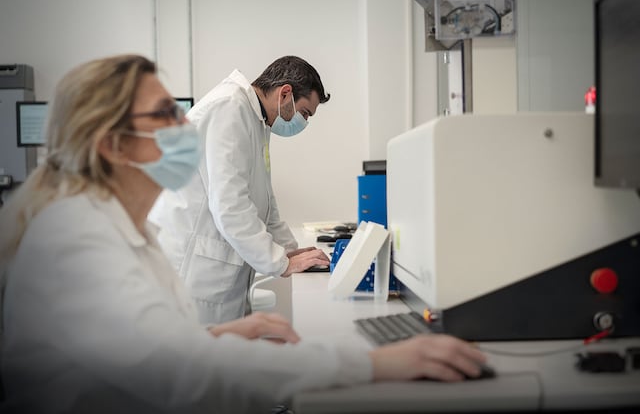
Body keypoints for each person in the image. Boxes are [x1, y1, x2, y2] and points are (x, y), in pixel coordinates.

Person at [0, 54, 488, 413]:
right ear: (111, 145)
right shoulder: (77, 245)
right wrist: (375, 365)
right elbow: (181, 368)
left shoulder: (117, 229)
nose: (185, 127)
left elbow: (143, 348)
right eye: (165, 117)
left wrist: (223, 333)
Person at [149, 56, 332, 325]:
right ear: (285, 93)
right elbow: (230, 206)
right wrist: (280, 262)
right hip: (194, 276)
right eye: (305, 113)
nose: (303, 122)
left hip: (218, 273)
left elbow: (266, 202)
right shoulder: (229, 108)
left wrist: (290, 251)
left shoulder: (257, 120)